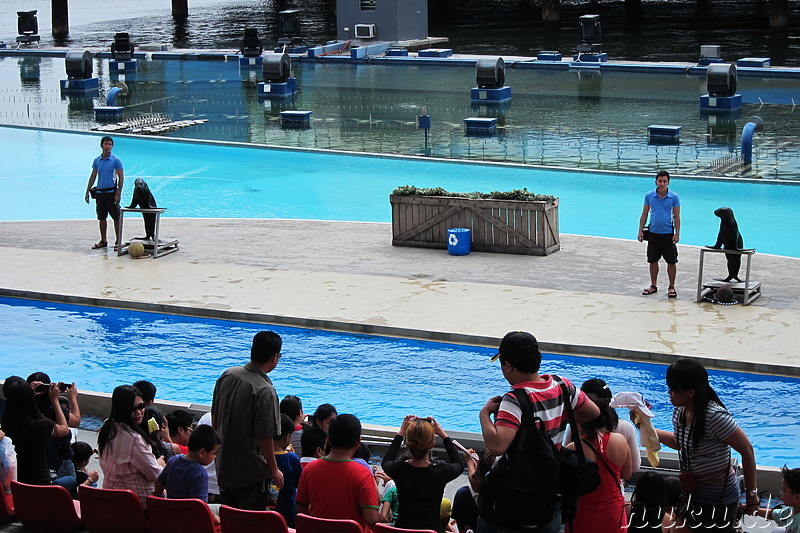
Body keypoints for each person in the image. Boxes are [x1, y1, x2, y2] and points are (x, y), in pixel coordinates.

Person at [478, 331, 600, 533]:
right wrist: (558, 415)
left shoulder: (514, 399)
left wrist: (484, 414)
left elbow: (497, 446)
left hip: (515, 495)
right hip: (549, 494)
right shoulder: (562, 386)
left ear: (508, 366)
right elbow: (592, 412)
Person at [655, 358, 758, 532]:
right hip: (692, 496)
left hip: (720, 502)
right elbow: (680, 443)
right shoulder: (679, 412)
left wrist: (752, 495)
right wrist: (647, 429)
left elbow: (747, 450)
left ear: (690, 392)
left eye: (674, 389)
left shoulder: (715, 417)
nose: (669, 393)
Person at [211, 330, 284, 510]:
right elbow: (265, 437)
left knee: (230, 519)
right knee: (249, 522)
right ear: (274, 357)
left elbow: (215, 412)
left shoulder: (228, 375)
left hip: (224, 468)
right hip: (249, 475)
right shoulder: (265, 391)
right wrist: (274, 470)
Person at [296, 414, 383, 531]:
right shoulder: (362, 474)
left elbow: (301, 510)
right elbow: (372, 519)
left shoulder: (309, 469)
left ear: (329, 440)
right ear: (358, 442)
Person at [382, 415, 464, 533]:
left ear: (408, 444)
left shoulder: (400, 469)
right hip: (431, 529)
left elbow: (386, 461)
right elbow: (459, 464)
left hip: (403, 529)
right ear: (432, 444)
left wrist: (401, 433)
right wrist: (444, 436)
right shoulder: (440, 471)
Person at [565, 388, 632, 533]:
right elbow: (626, 474)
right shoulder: (620, 441)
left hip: (583, 514)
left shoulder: (573, 448)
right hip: (614, 513)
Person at [98, 384, 164, 508]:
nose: (139, 412)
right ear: (122, 409)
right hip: (138, 504)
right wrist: (160, 463)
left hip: (110, 498)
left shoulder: (107, 427)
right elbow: (156, 475)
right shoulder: (135, 440)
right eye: (133, 409)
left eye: (141, 406)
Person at [1, 376, 72, 487]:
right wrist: (55, 399)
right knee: (71, 481)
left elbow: (17, 407)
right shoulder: (40, 425)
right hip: (39, 482)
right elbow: (64, 429)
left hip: (15, 481)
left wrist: (27, 395)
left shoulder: (4, 422)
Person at [154, 424, 222, 523]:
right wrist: (218, 520)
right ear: (202, 453)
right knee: (222, 509)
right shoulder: (199, 473)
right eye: (214, 454)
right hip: (188, 521)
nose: (215, 457)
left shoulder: (174, 460)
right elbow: (200, 507)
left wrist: (163, 504)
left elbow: (159, 485)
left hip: (171, 513)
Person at [638, 170, 681, 298]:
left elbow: (677, 216)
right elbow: (645, 213)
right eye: (660, 181)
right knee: (652, 260)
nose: (662, 184)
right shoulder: (649, 196)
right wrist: (640, 230)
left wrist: (677, 233)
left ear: (668, 183)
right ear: (656, 182)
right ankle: (653, 285)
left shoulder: (674, 197)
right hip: (653, 233)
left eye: (664, 181)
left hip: (668, 234)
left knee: (671, 261)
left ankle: (671, 286)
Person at [85, 136, 125, 251]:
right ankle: (103, 240)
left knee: (116, 217)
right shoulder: (97, 160)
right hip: (100, 194)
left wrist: (118, 194)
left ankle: (118, 241)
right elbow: (93, 175)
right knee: (101, 217)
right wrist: (87, 190)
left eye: (110, 144)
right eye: (106, 144)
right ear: (102, 145)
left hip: (111, 193)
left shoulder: (116, 160)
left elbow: (121, 177)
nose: (108, 146)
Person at [273, 414, 303, 527]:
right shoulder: (291, 458)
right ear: (287, 437)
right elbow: (299, 483)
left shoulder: (263, 456)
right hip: (287, 511)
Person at [753, 466, 800, 533]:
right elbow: (775, 514)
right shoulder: (792, 509)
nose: (781, 493)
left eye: (784, 491)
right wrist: (754, 510)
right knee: (777, 531)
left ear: (797, 497)